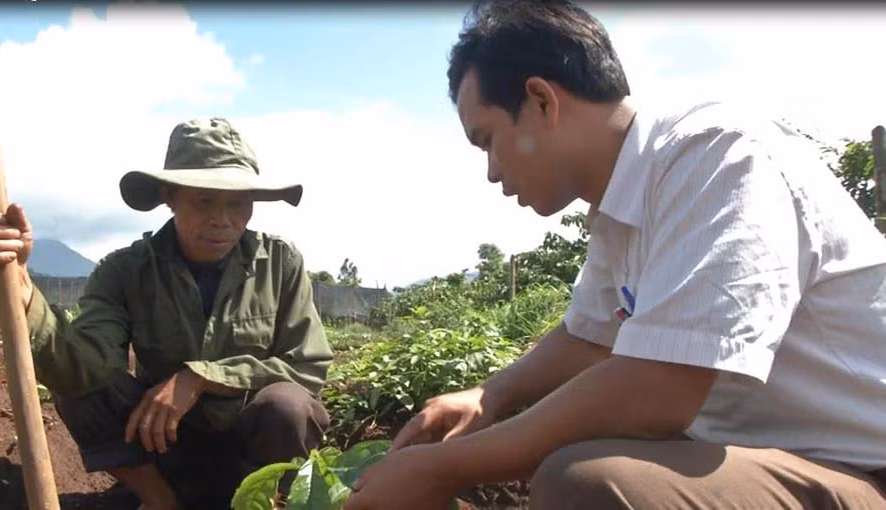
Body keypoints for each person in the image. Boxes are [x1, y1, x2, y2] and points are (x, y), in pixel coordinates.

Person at [344, 1, 886, 509]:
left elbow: (658, 392)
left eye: (486, 139)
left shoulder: (716, 155)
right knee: (571, 444)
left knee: (585, 481)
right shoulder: (622, 204)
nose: (491, 170)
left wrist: (445, 468)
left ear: (540, 101)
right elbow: (588, 337)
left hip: (858, 466)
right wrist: (488, 395)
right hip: (777, 455)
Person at [0, 117, 334, 510]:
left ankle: (262, 502)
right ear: (170, 196)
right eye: (204, 200)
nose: (222, 219)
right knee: (83, 391)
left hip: (249, 455)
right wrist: (23, 288)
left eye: (238, 203)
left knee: (287, 406)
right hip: (166, 449)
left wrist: (201, 379)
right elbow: (84, 368)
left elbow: (308, 370)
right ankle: (162, 503)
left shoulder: (280, 263)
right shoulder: (125, 270)